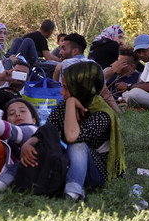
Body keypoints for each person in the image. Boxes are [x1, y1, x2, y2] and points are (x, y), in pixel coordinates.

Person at [21, 61, 126, 200]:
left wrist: (71, 103)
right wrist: (29, 142)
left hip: (98, 174)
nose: (61, 92)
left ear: (80, 89)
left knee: (78, 145)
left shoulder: (102, 115)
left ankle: (72, 192)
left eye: (66, 88)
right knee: (43, 144)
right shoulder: (64, 105)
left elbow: (72, 137)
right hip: (72, 165)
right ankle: (9, 181)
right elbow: (49, 129)